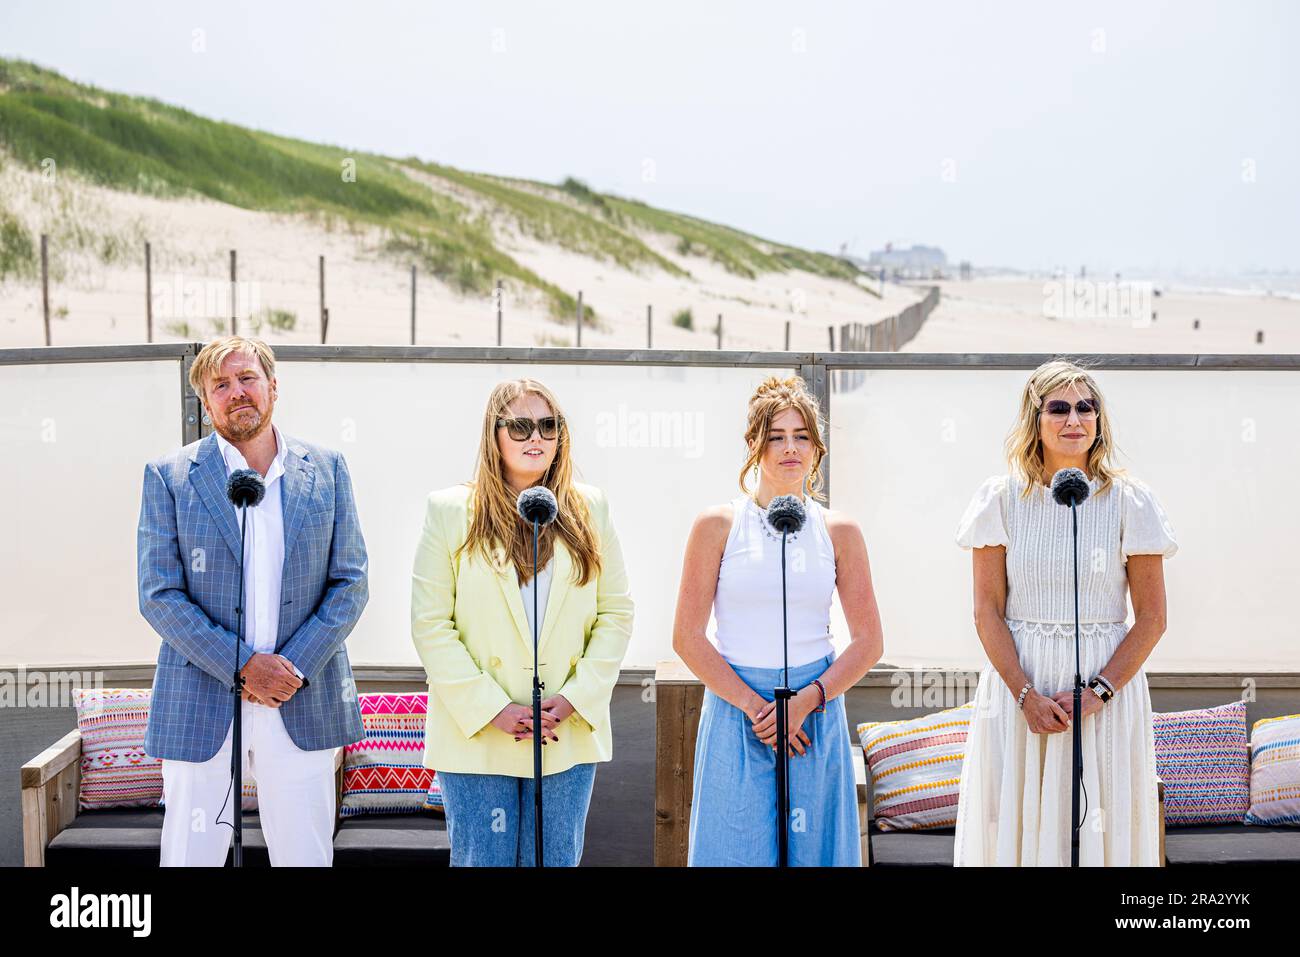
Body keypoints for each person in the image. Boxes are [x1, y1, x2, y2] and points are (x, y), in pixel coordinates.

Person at [138, 335, 368, 866]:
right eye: (221, 384)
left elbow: (351, 583)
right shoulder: (168, 477)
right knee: (191, 855)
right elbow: (159, 595)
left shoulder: (328, 469)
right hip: (201, 697)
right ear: (204, 400)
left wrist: (287, 670)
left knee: (304, 856)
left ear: (273, 386)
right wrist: (243, 667)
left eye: (247, 378)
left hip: (300, 697)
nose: (237, 392)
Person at [953, 358, 1177, 866]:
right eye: (1058, 408)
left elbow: (1152, 617)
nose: (1074, 419)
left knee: (1105, 828)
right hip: (1020, 690)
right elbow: (986, 611)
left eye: (1086, 407)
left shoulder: (1131, 501)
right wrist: (1025, 693)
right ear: (1035, 419)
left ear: (1099, 420)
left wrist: (1099, 692)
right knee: (1018, 827)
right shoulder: (1001, 498)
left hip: (1107, 691)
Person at [411, 378, 634, 866]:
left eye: (549, 425)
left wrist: (575, 698)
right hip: (478, 733)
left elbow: (616, 612)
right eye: (520, 425)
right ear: (494, 434)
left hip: (563, 729)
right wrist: (491, 708)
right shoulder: (451, 510)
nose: (537, 437)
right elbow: (430, 624)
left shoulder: (589, 507)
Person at [673, 374, 883, 866]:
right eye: (775, 436)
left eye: (801, 436)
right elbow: (686, 636)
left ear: (817, 448)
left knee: (817, 853)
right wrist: (755, 707)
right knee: (733, 852)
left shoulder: (840, 530)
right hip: (736, 714)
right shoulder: (717, 524)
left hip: (815, 715)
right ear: (753, 445)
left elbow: (870, 641)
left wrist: (808, 701)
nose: (790, 448)